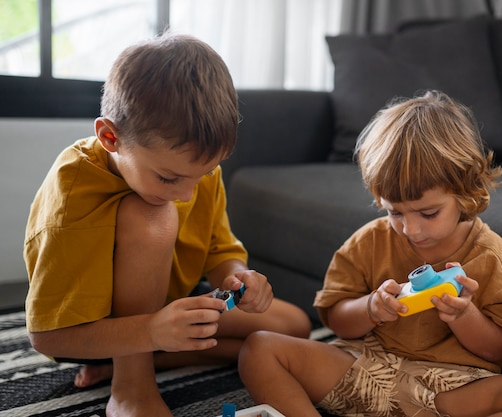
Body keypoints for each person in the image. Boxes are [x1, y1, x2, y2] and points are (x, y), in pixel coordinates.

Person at [23, 33, 311, 417]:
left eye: (204, 174)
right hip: (91, 327)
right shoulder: (73, 194)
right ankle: (131, 385)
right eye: (170, 179)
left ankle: (156, 356)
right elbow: (47, 336)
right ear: (110, 137)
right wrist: (147, 331)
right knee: (152, 215)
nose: (188, 194)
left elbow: (218, 248)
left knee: (292, 327)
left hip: (164, 309)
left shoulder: (189, 171)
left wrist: (238, 275)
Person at [238, 90, 502, 417]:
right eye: (395, 212)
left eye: (428, 214)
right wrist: (371, 307)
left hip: (449, 390)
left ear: (466, 192)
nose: (410, 230)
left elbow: (501, 353)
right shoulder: (368, 241)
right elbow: (337, 320)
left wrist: (463, 316)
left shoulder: (490, 256)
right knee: (259, 348)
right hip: (365, 370)